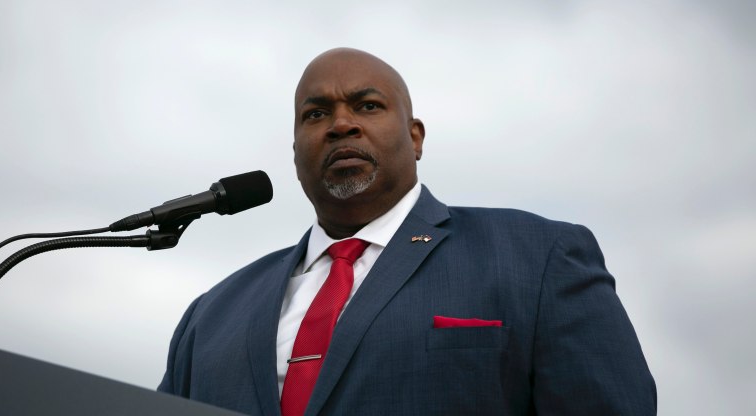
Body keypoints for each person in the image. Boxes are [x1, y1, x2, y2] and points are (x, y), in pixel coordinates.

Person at [158, 48, 657, 415]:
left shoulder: (537, 258)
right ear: (295, 151)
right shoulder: (211, 316)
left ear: (415, 137)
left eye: (367, 106)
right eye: (316, 114)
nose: (341, 125)